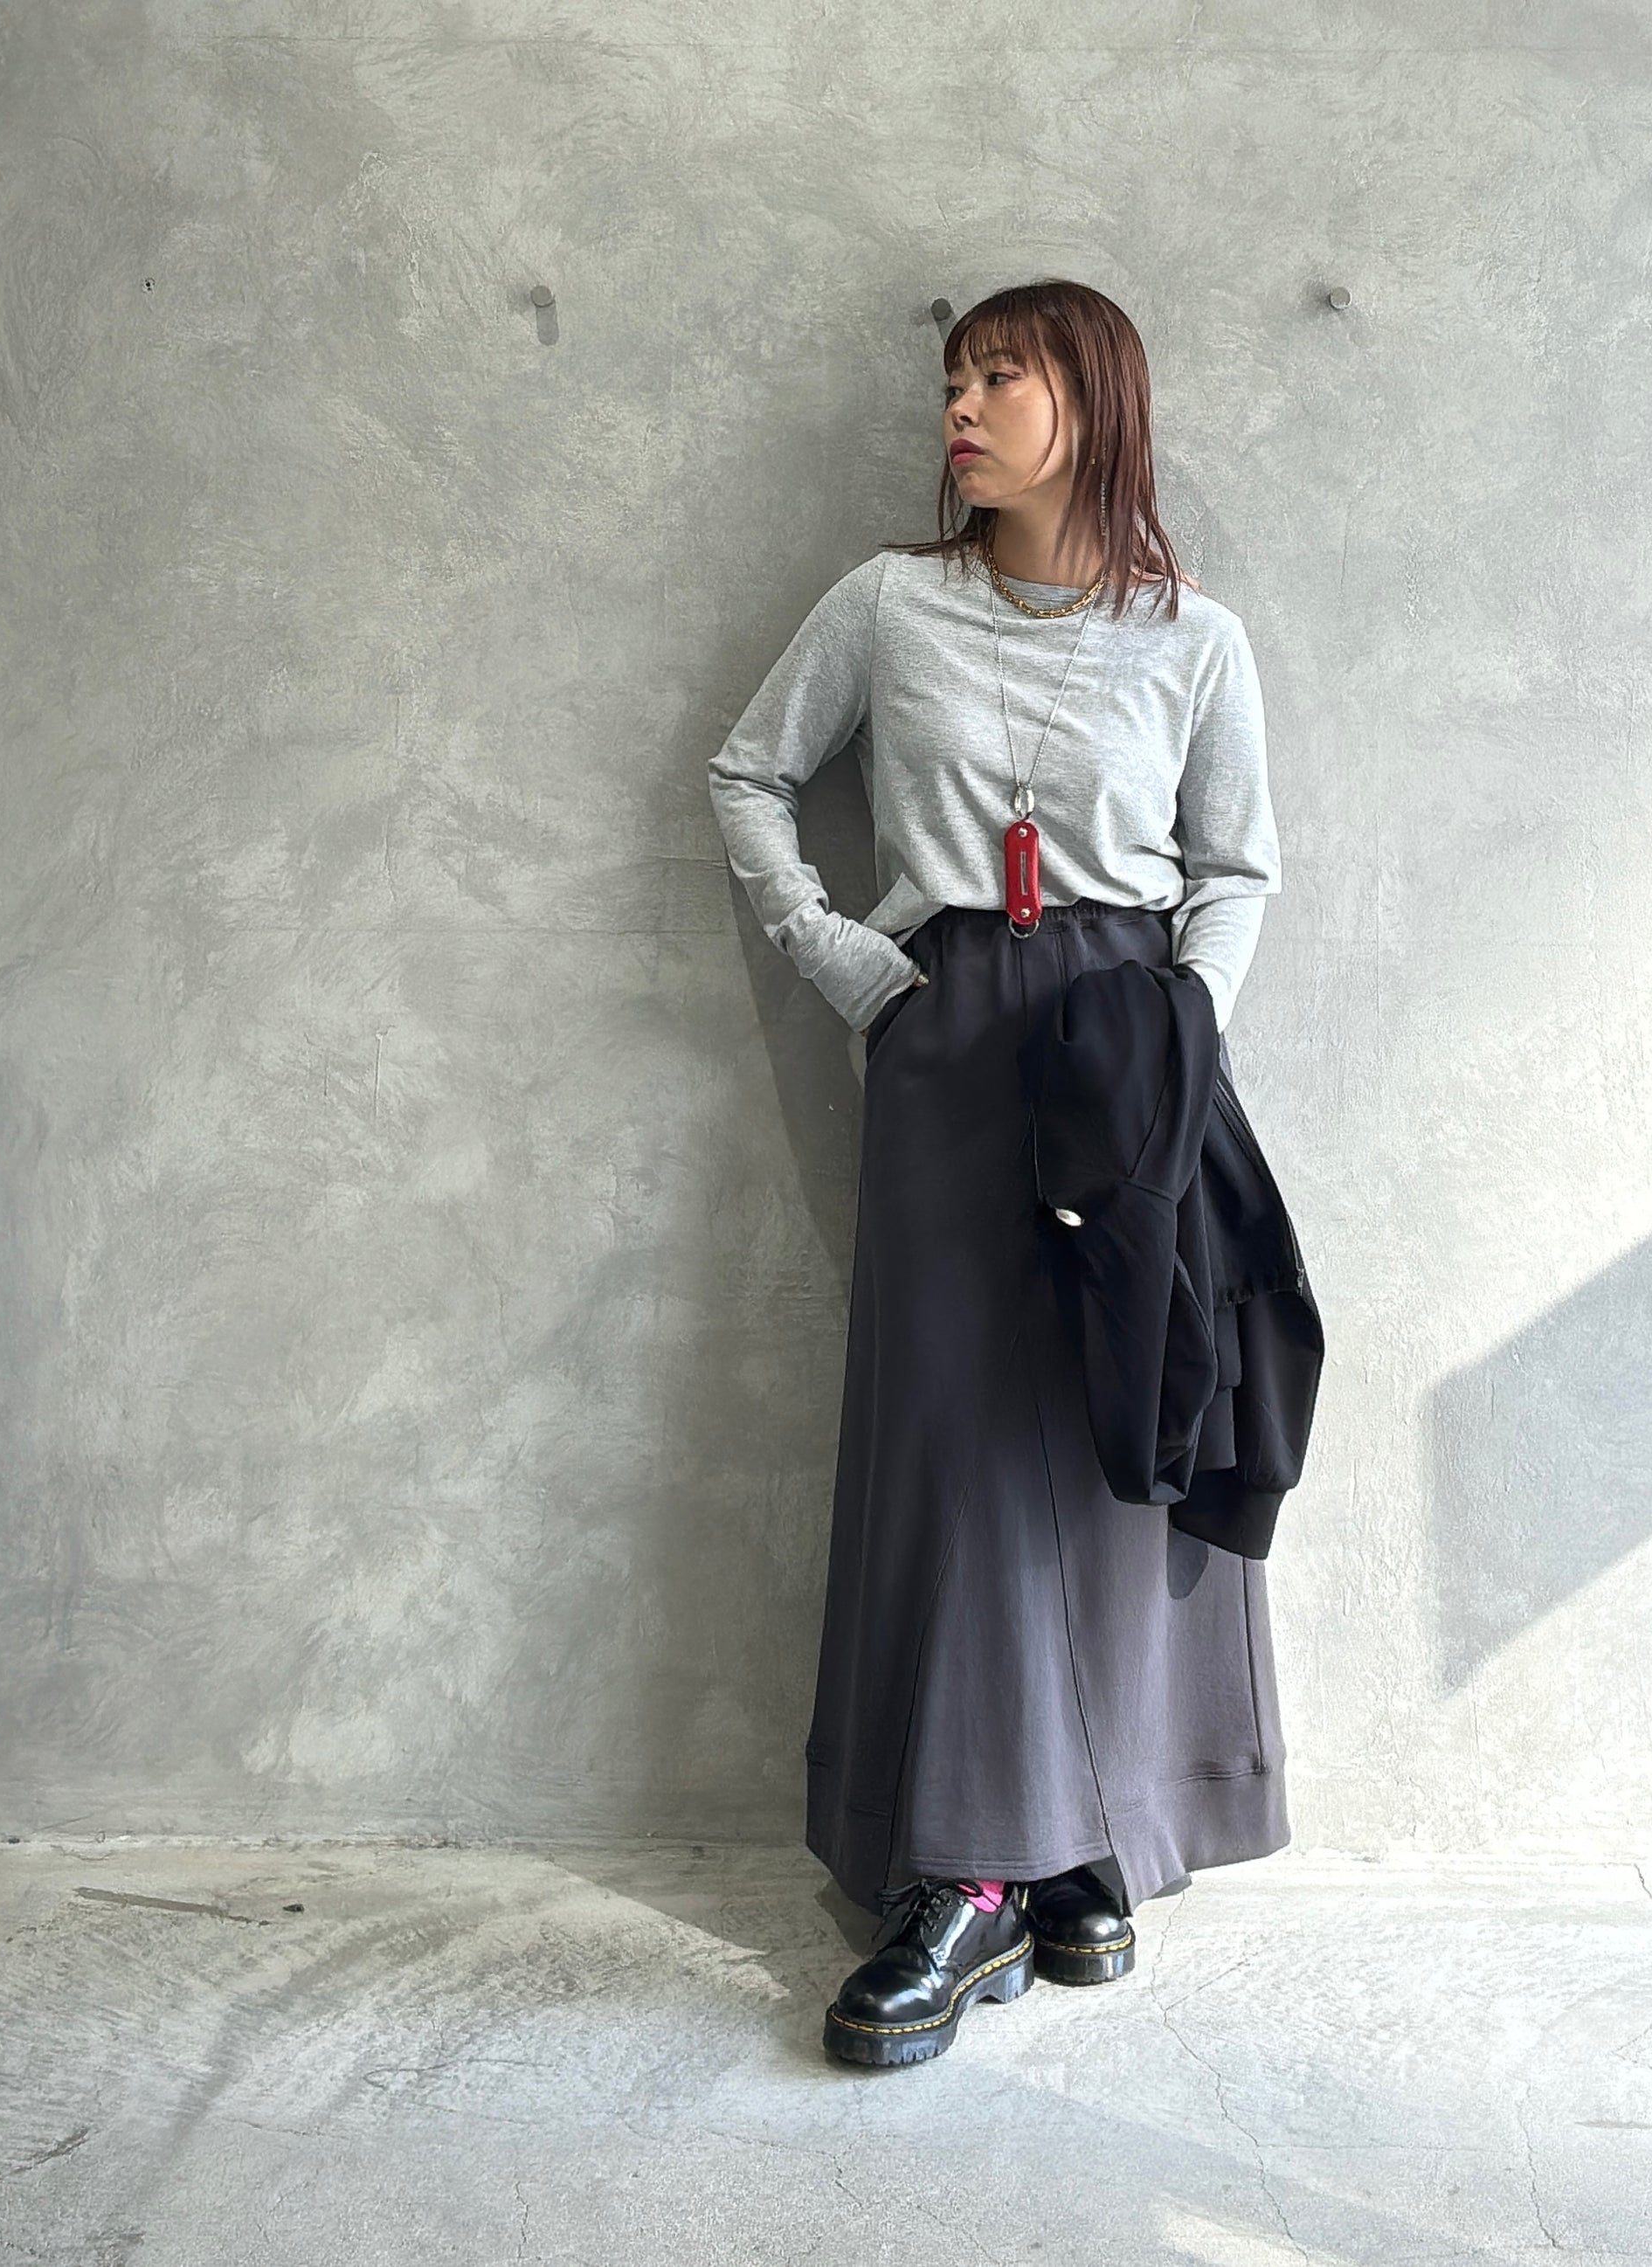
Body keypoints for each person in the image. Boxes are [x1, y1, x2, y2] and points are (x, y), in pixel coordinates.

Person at [706, 278, 1289, 2069]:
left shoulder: (1194, 639)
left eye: (999, 378)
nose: (958, 407)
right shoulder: (890, 603)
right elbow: (746, 773)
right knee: (960, 1439)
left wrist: (1182, 1029)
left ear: (1088, 404)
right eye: (952, 380)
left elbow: (1236, 866)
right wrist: (845, 963)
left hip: (1129, 1049)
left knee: (1121, 1420)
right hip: (947, 1034)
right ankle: (963, 1869)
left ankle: (1093, 1836)